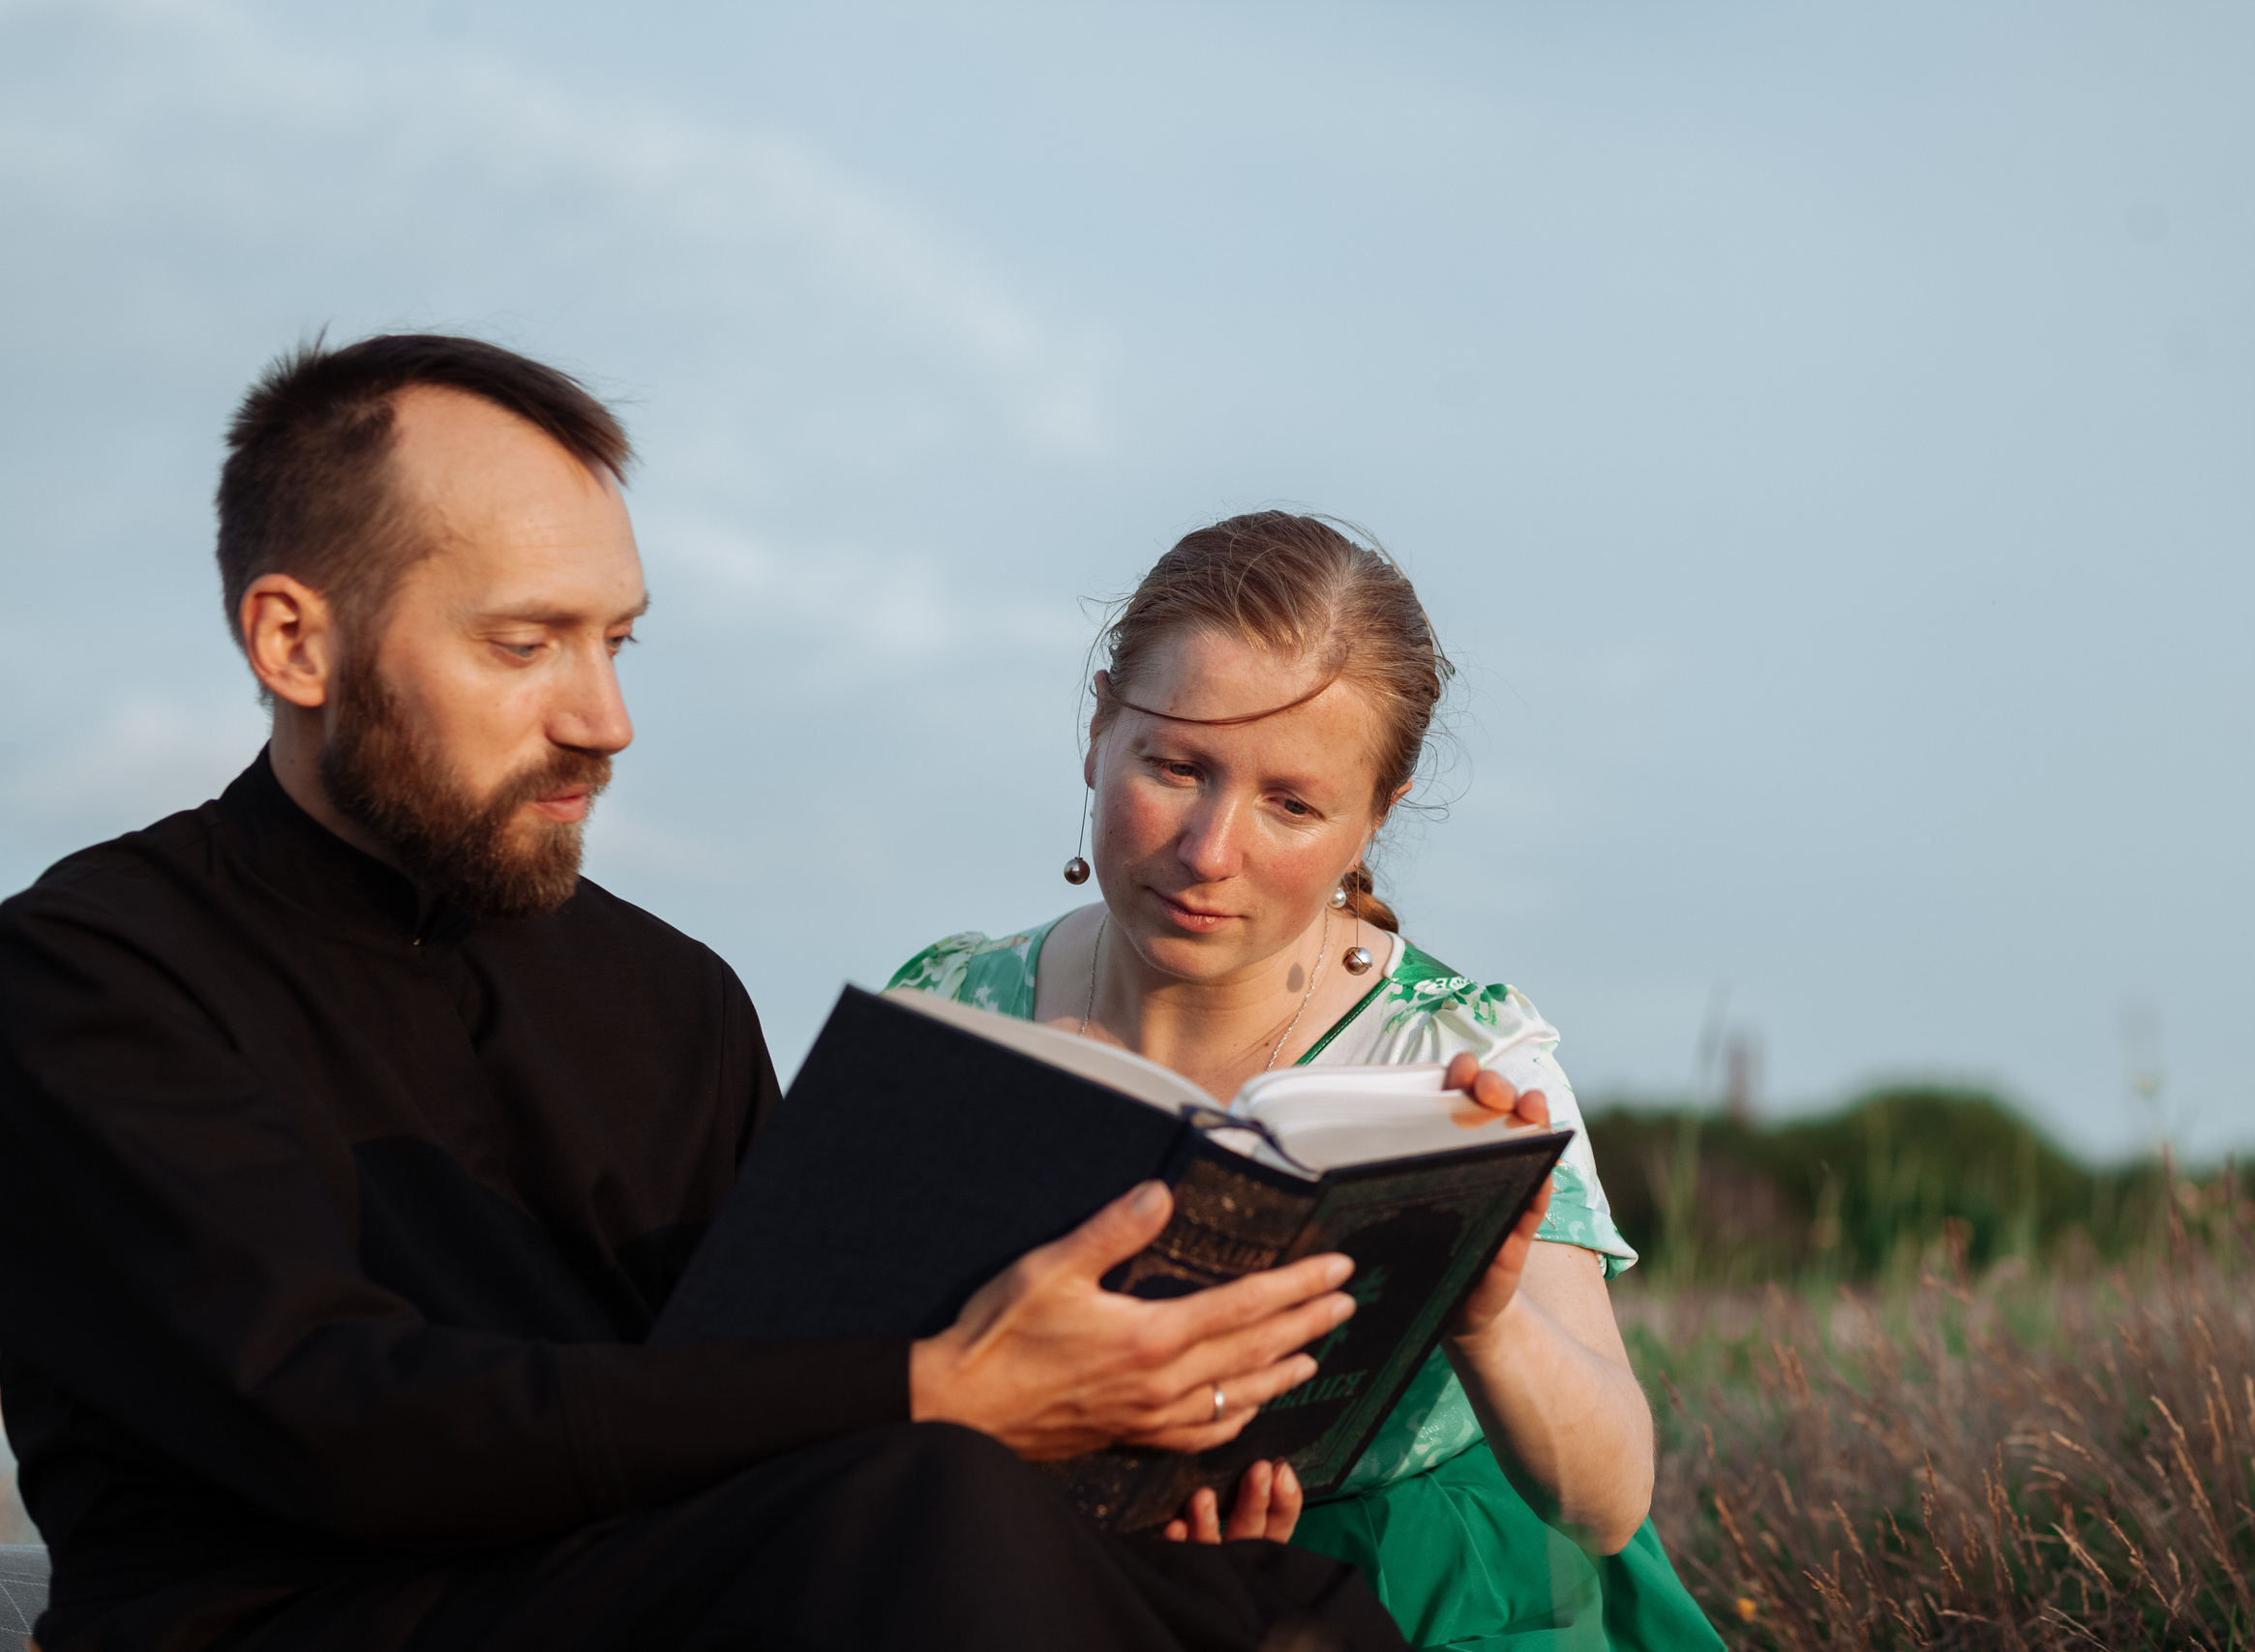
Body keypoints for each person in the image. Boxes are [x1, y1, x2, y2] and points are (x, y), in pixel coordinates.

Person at [0, 337, 1415, 1652]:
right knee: (934, 1498)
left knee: (1279, 1600)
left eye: (618, 640)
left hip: (650, 1574)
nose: (602, 717)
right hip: (302, 1611)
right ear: (293, 641)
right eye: (523, 643)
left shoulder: (667, 992)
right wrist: (941, 1392)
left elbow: (778, 1375)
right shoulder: (92, 969)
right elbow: (331, 1415)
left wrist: (1100, 1446)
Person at [887, 513, 1727, 1651]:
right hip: (1024, 1556)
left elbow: (1608, 1496)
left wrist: (1481, 1319)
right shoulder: (951, 1007)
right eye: (1174, 767)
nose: (1210, 851)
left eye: (1291, 803)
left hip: (1419, 1589)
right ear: (1097, 731)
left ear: (1375, 817)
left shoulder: (1458, 1057)